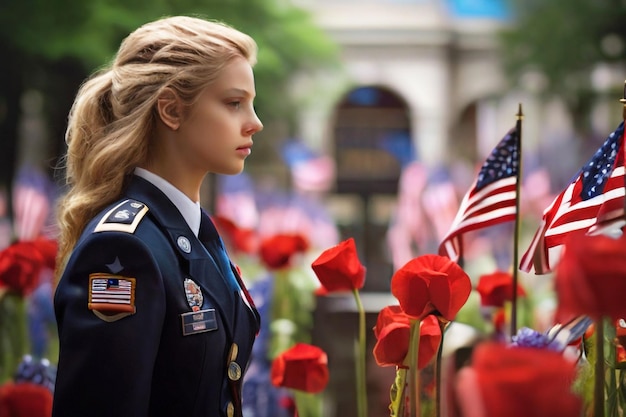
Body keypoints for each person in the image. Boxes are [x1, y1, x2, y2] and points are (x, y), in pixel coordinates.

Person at [52, 15, 263, 417]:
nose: (255, 122)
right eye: (234, 103)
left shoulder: (191, 231)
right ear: (171, 110)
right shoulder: (123, 248)